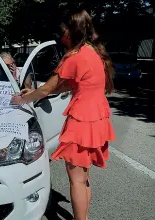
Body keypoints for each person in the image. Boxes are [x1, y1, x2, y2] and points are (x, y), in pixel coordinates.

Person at [11, 9, 115, 220]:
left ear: (73, 31)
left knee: (76, 178)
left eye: (64, 32)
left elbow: (47, 89)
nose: (61, 37)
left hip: (81, 121)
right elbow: (68, 84)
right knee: (83, 176)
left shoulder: (74, 57)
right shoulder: (93, 52)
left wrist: (21, 99)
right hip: (98, 118)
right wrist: (34, 92)